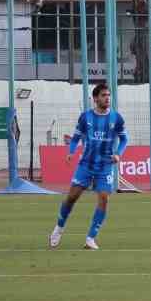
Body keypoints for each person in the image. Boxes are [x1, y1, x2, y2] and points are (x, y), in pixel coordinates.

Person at [50, 81, 126, 251]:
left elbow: (124, 139)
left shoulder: (116, 118)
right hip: (85, 165)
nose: (107, 98)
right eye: (103, 95)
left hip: (105, 165)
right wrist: (71, 151)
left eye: (108, 95)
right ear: (95, 99)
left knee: (104, 199)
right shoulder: (86, 117)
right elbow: (76, 137)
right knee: (72, 198)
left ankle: (91, 238)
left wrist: (118, 154)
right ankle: (59, 228)